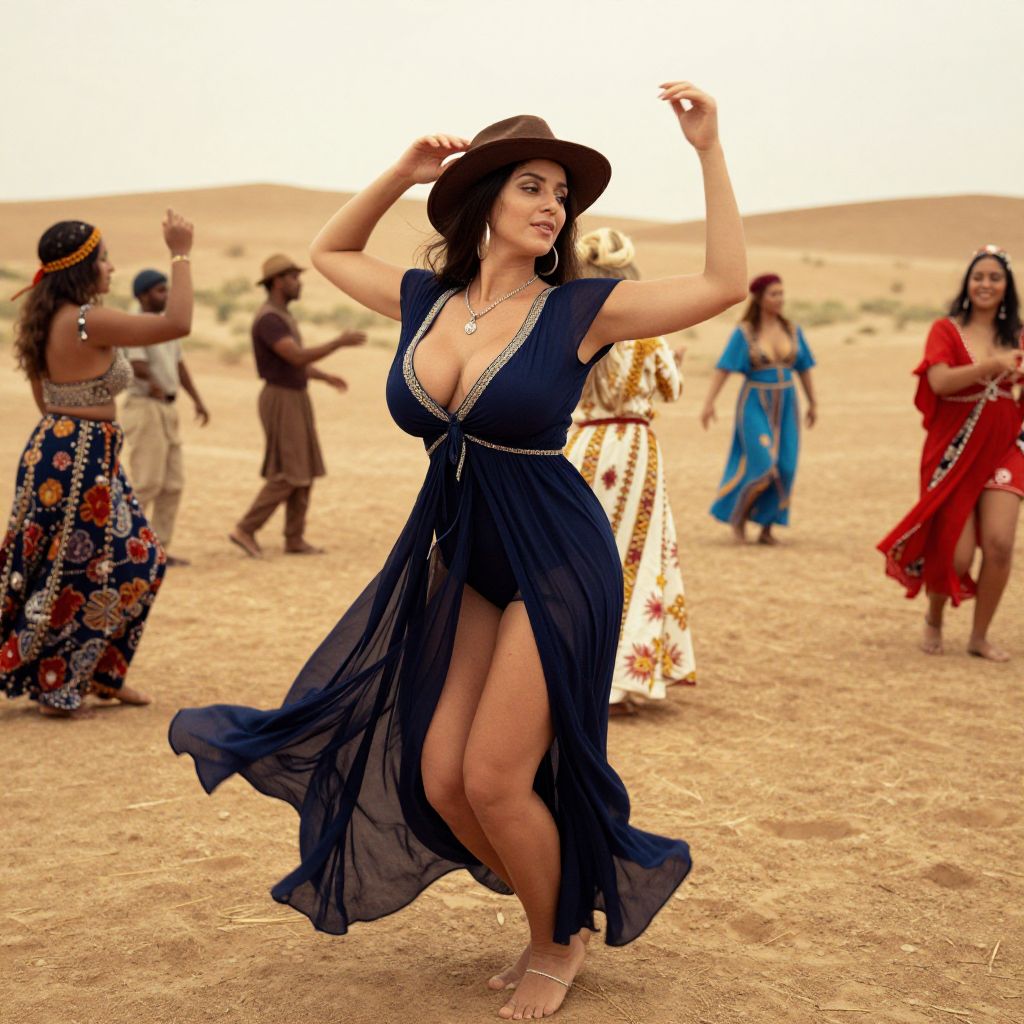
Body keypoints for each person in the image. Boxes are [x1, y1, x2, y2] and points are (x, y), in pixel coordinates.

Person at [171, 80, 745, 1020]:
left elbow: (723, 285)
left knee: (491, 775)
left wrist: (708, 149)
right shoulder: (424, 300)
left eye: (562, 192)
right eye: (530, 185)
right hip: (466, 551)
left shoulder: (580, 312)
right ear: (484, 202)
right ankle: (555, 893)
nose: (552, 205)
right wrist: (401, 171)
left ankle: (556, 940)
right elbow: (329, 250)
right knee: (443, 778)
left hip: (558, 554)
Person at [1, 212, 194, 717]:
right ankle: (56, 683)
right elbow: (177, 324)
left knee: (135, 559)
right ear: (81, 268)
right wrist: (180, 252)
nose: (111, 268)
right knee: (74, 571)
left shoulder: (49, 319)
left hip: (66, 451)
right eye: (103, 259)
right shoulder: (87, 320)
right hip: (79, 457)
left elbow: (46, 401)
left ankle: (100, 676)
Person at [565, 227, 696, 715]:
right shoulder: (644, 330)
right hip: (633, 450)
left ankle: (572, 669)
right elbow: (671, 390)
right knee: (633, 556)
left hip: (579, 445)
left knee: (579, 557)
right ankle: (621, 680)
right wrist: (677, 362)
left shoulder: (571, 323)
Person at [878, 245, 1023, 662]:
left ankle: (980, 636)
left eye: (995, 278)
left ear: (1006, 287)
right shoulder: (946, 330)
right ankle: (935, 614)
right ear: (968, 283)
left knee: (998, 544)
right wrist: (992, 366)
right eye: (979, 276)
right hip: (954, 449)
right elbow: (939, 383)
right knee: (956, 556)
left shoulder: (1018, 334)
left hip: (1005, 449)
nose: (986, 284)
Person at [228, 254, 366, 558]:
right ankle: (245, 528)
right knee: (290, 472)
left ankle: (294, 538)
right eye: (294, 278)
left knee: (306, 466)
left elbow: (296, 363)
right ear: (278, 282)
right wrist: (337, 343)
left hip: (295, 394)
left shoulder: (281, 316)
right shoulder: (269, 319)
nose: (298, 283)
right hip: (280, 398)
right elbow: (296, 357)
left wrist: (325, 377)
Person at [701, 273, 817, 544]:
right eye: (774, 294)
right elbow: (724, 368)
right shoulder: (745, 332)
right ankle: (738, 518)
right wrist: (709, 403)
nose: (780, 299)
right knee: (764, 465)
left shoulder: (792, 330)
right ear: (759, 298)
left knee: (786, 467)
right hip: (754, 402)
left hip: (788, 402)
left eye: (781, 293)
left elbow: (804, 368)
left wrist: (813, 402)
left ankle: (767, 527)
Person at [122, 268, 210, 566]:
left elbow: (180, 364)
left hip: (167, 408)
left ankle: (157, 550)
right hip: (144, 407)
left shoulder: (166, 324)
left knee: (173, 483)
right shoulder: (133, 323)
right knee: (147, 481)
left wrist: (197, 400)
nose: (167, 295)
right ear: (143, 295)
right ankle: (121, 547)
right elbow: (136, 365)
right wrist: (154, 384)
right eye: (160, 290)